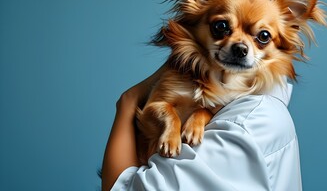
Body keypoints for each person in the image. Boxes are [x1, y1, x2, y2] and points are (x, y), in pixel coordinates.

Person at [101, 63, 302, 191]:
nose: (240, 44)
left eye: (262, 36)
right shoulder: (249, 111)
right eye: (221, 28)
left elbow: (125, 188)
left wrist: (128, 102)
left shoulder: (245, 123)